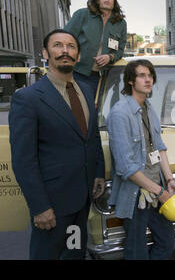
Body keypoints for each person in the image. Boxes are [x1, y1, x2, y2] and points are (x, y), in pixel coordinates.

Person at [8, 29, 105, 259]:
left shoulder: (87, 91)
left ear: (78, 56)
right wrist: (40, 207)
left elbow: (92, 138)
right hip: (52, 206)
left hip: (82, 199)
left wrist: (98, 172)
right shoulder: (28, 99)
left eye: (71, 47)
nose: (65, 51)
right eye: (58, 45)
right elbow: (24, 160)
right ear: (45, 53)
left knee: (74, 254)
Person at [107, 59, 175, 260]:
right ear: (130, 80)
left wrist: (170, 180)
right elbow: (125, 167)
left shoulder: (149, 108)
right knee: (136, 250)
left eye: (150, 76)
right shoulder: (120, 113)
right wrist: (159, 192)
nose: (147, 80)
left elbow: (160, 148)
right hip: (137, 194)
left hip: (157, 188)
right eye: (141, 75)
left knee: (166, 240)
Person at [65, 0, 127, 96]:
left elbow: (120, 51)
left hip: (106, 76)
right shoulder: (82, 14)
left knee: (98, 109)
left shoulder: (121, 23)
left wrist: (110, 57)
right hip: (78, 72)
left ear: (114, 2)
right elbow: (65, 39)